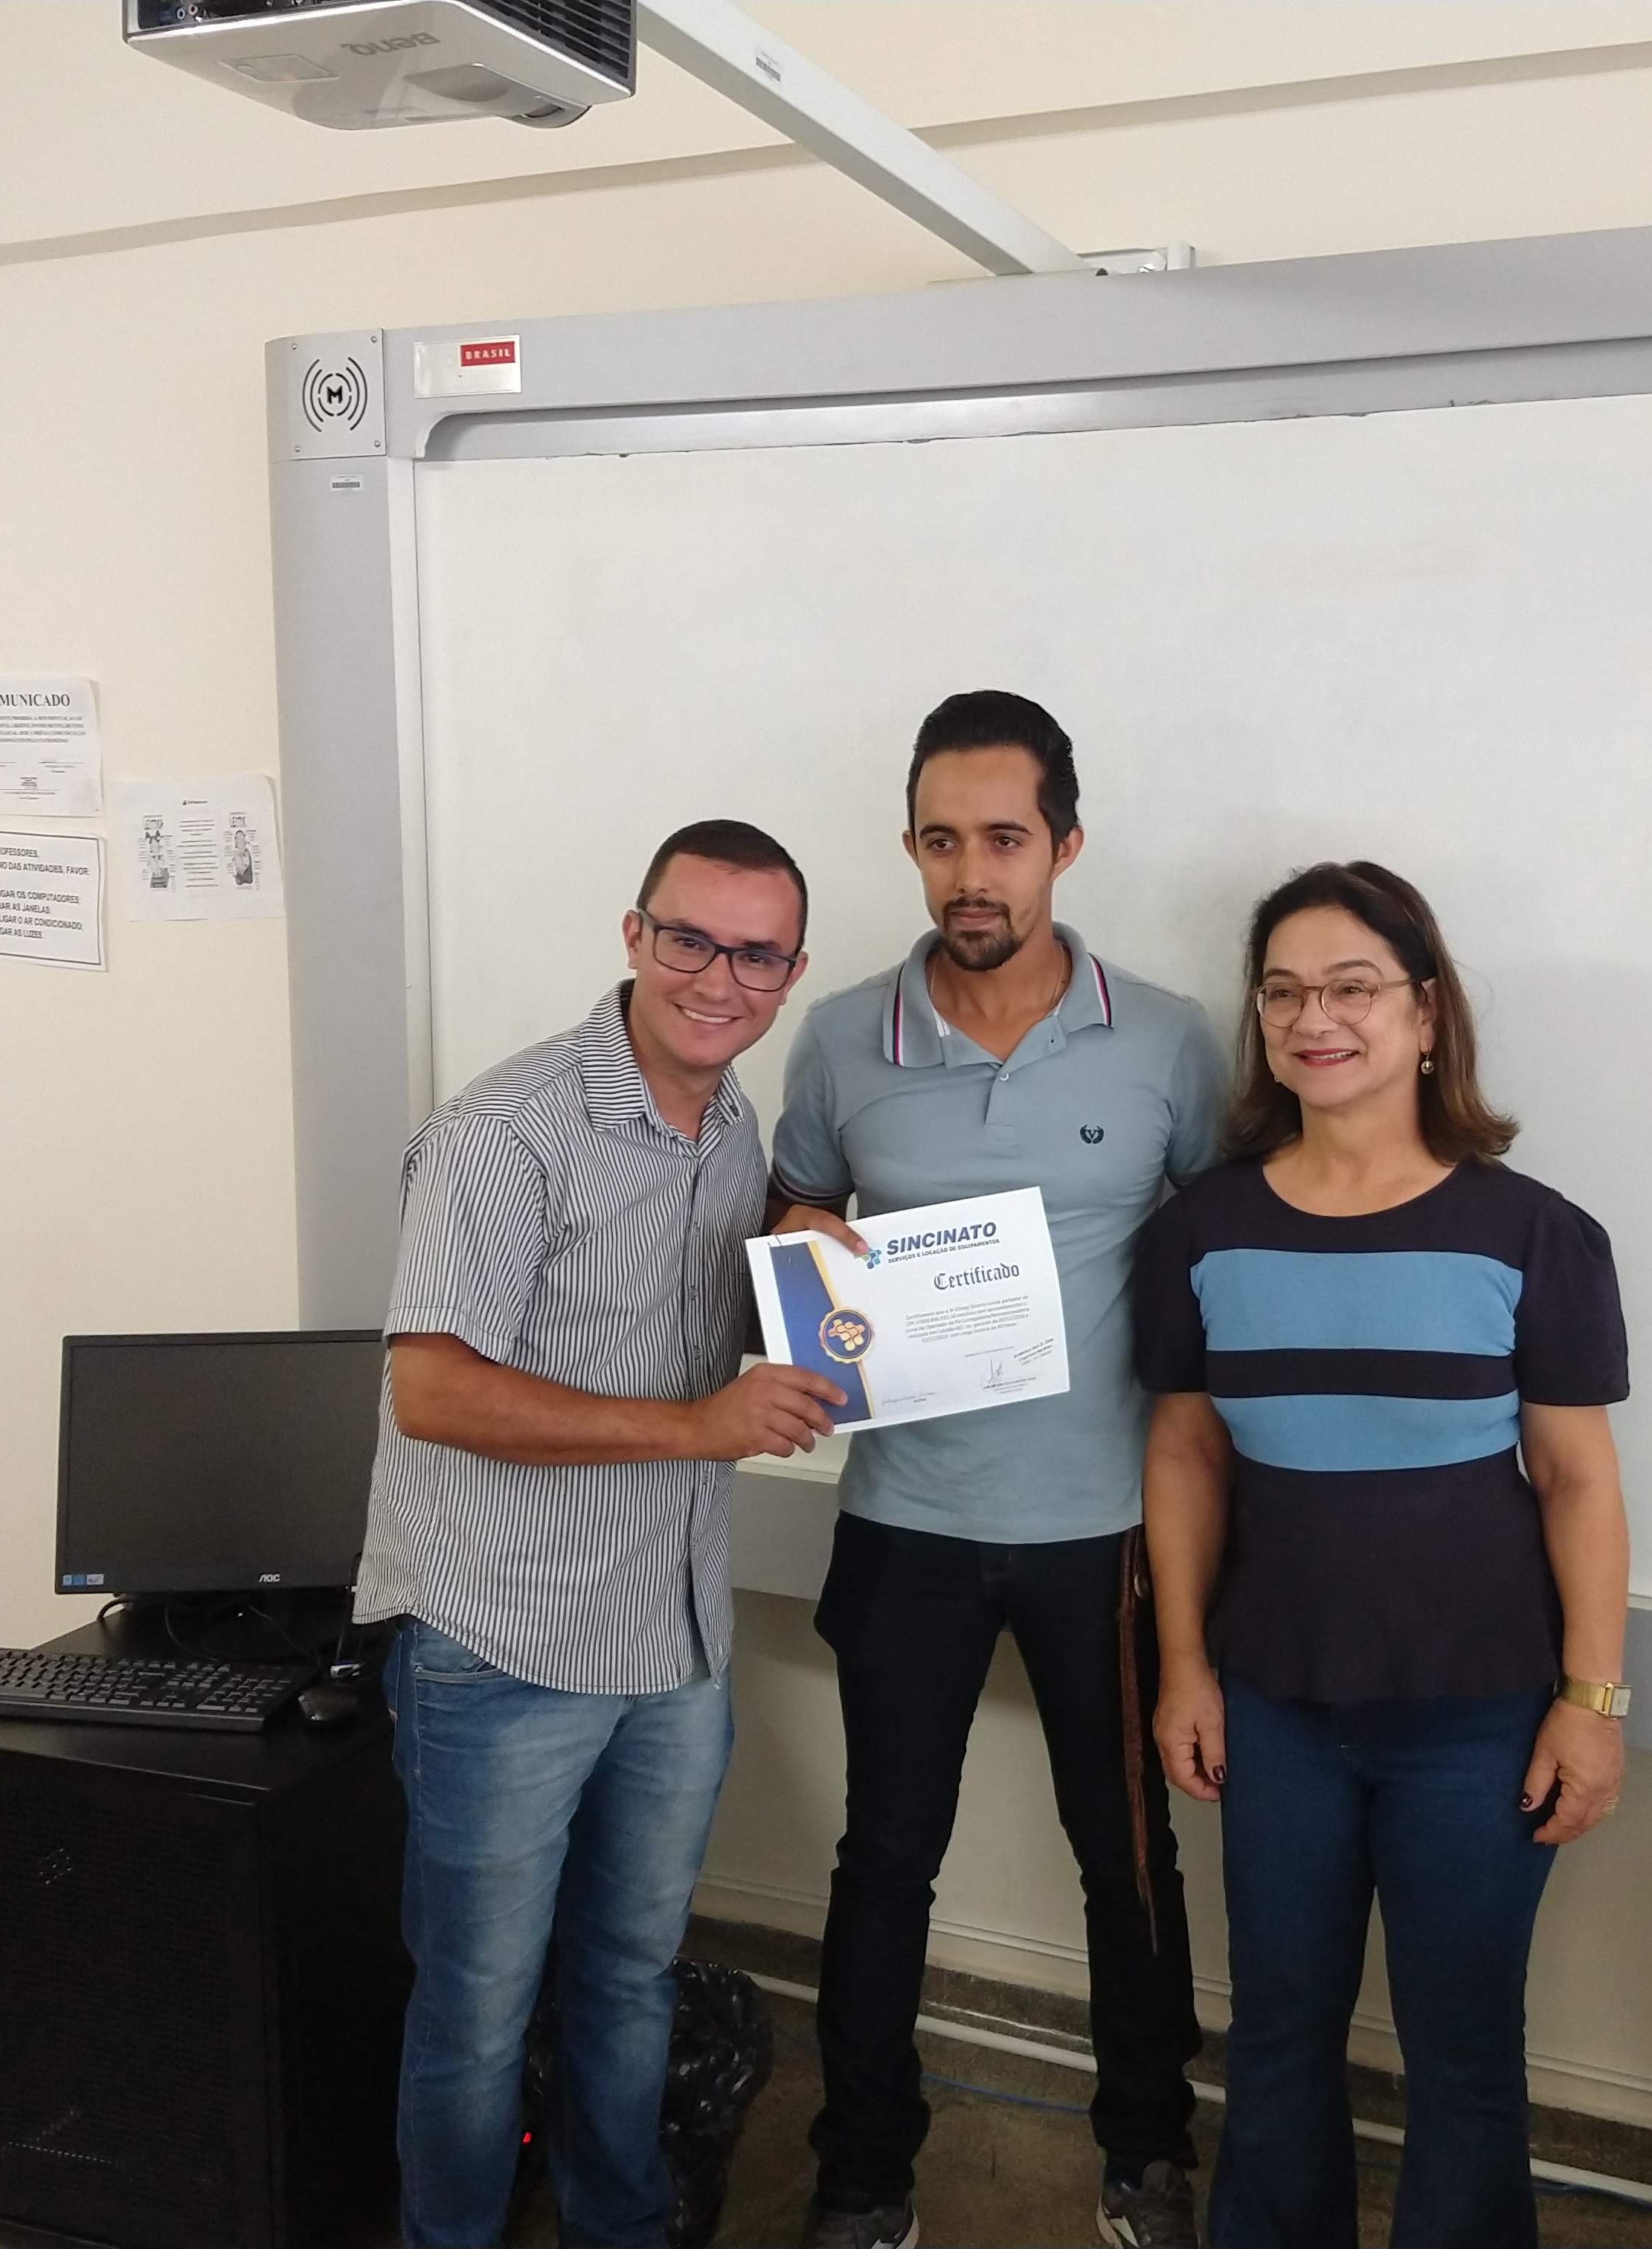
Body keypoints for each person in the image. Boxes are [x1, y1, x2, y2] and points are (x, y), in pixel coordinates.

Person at [768, 691, 1227, 2249]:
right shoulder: (842, 1038)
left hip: (1109, 1534)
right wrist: (801, 1249)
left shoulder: (1165, 1037)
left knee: (1128, 1862)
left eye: (1007, 839)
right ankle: (862, 2176)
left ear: (1066, 847)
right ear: (911, 847)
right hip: (907, 1524)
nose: (973, 874)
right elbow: (792, 1217)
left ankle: (1147, 2155)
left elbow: (1219, 1255)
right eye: (942, 840)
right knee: (886, 1861)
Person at [353, 818, 849, 2249]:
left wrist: (816, 1257)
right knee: (477, 2010)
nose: (719, 979)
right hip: (504, 1642)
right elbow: (433, 1390)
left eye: (757, 955)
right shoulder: (505, 1134)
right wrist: (703, 1425)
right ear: (634, 936)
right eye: (689, 939)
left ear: (791, 973)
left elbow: (683, 1295)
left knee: (632, 1974)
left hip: (671, 1632)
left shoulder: (731, 1120)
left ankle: (618, 2227)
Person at [1134, 860, 1633, 2249]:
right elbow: (1185, 1457)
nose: (1315, 1019)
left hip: (1481, 1717)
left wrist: (1592, 1704)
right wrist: (1183, 1666)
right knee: (1277, 2033)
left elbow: (1579, 1481)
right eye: (1283, 992)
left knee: (1462, 2050)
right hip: (1275, 1707)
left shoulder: (1532, 1234)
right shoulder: (1204, 1230)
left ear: (1425, 1015)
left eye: (1352, 988)